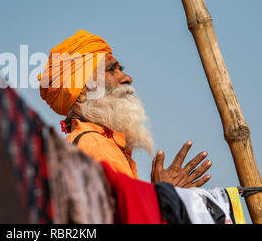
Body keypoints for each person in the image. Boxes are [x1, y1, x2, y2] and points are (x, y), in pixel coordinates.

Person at [38, 30, 212, 187]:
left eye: (121, 69)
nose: (127, 78)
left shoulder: (91, 143)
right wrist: (164, 197)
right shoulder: (95, 146)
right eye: (111, 70)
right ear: (82, 92)